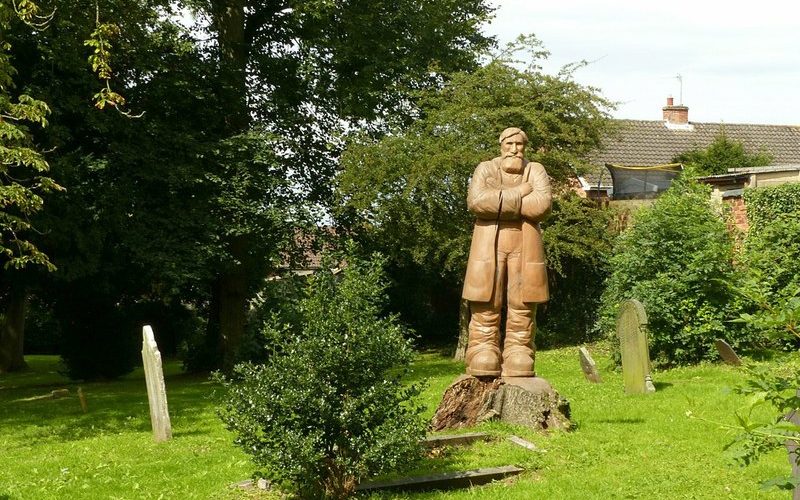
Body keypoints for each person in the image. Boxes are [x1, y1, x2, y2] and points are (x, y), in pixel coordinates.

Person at [462, 127, 551, 377]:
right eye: (509, 144)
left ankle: (519, 349)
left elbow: (542, 205)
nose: (514, 149)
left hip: (525, 243)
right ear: (501, 145)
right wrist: (521, 193)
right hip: (488, 244)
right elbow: (477, 202)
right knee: (486, 297)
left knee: (522, 299)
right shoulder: (485, 169)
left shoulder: (536, 170)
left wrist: (499, 200)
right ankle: (482, 348)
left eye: (519, 145)